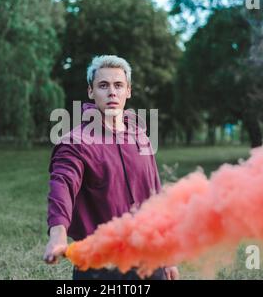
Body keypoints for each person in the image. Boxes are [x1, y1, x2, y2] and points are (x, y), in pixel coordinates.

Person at [43, 55, 179, 280]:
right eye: (103, 85)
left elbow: (155, 194)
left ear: (128, 91)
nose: (112, 92)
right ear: (91, 92)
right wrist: (58, 233)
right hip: (101, 267)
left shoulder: (140, 136)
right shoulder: (75, 141)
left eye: (118, 85)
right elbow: (62, 185)